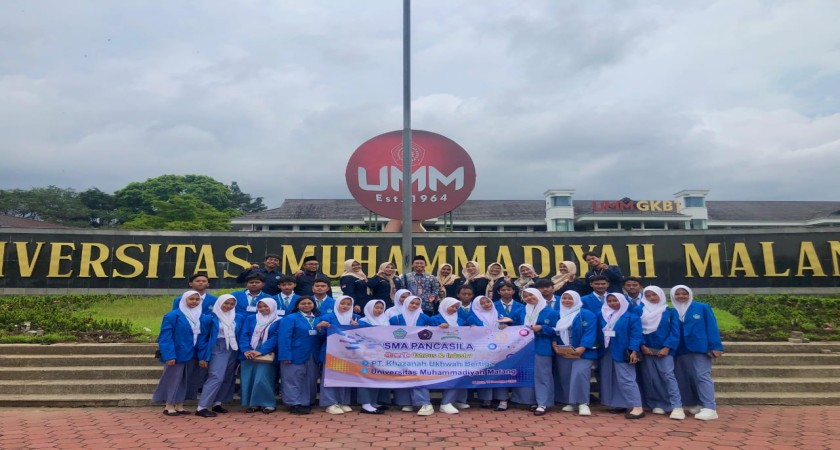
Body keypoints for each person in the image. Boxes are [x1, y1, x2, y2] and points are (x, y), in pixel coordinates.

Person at [671, 285, 723, 421]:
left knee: (702, 376)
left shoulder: (702, 307)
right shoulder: (672, 310)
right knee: (688, 377)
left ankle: (710, 408)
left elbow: (711, 326)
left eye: (684, 293)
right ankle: (699, 403)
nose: (681, 296)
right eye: (677, 294)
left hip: (700, 347)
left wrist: (716, 346)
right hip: (680, 349)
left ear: (690, 294)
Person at [153, 290, 203, 416]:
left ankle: (180, 405)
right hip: (176, 353)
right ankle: (168, 405)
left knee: (185, 380)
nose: (194, 302)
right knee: (172, 379)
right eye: (191, 299)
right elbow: (165, 338)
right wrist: (169, 355)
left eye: (197, 299)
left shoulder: (199, 315)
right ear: (184, 300)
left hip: (192, 354)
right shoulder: (173, 316)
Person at [637, 286, 684, 420]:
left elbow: (675, 332)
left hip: (664, 349)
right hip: (646, 349)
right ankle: (657, 403)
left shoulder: (669, 311)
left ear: (661, 295)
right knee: (651, 377)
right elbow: (636, 329)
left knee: (668, 376)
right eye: (648, 295)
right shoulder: (639, 310)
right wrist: (642, 345)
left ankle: (676, 406)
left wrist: (667, 347)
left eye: (654, 295)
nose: (651, 298)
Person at [598, 293, 645, 419]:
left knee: (627, 379)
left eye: (615, 300)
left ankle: (637, 407)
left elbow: (636, 335)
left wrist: (634, 350)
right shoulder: (603, 315)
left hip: (623, 351)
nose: (612, 303)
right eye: (609, 301)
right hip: (607, 351)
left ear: (622, 301)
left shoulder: (631, 317)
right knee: (612, 378)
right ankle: (619, 404)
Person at [195, 294, 243, 417]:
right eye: (226, 303)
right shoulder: (209, 318)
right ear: (219, 303)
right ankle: (202, 407)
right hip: (217, 347)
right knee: (216, 376)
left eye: (232, 304)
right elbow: (202, 338)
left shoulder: (237, 317)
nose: (228, 306)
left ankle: (218, 403)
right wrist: (202, 356)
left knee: (228, 376)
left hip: (233, 348)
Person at [553, 291, 597, 416]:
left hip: (582, 352)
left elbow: (590, 332)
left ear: (577, 300)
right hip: (563, 351)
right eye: (564, 298)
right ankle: (571, 402)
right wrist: (554, 344)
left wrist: (583, 346)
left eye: (570, 298)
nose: (567, 301)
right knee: (566, 376)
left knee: (580, 374)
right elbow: (553, 331)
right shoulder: (558, 314)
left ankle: (583, 403)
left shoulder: (586, 314)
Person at [389, 295, 434, 415]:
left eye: (417, 304)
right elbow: (389, 334)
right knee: (403, 375)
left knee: (418, 376)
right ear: (406, 303)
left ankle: (425, 403)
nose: (414, 305)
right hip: (400, 352)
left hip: (420, 353)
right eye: (412, 303)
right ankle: (406, 403)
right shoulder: (395, 319)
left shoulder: (425, 318)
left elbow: (433, 332)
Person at [277, 296, 323, 415]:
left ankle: (306, 402)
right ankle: (293, 403)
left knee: (310, 379)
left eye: (309, 303)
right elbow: (284, 337)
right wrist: (285, 355)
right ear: (297, 305)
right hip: (294, 353)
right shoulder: (290, 318)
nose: (306, 305)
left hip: (313, 354)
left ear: (314, 305)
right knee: (292, 379)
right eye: (303, 303)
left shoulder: (318, 319)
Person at [316, 295, 361, 415]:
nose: (345, 306)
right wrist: (320, 328)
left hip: (348, 353)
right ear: (337, 304)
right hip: (331, 352)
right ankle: (330, 403)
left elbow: (361, 337)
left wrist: (356, 328)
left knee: (345, 377)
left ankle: (343, 401)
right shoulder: (327, 317)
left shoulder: (355, 318)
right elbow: (320, 336)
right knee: (330, 378)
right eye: (343, 303)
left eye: (348, 304)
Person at [521, 287, 560, 416]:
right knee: (530, 375)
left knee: (543, 375)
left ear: (538, 295)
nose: (529, 298)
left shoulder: (550, 312)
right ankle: (533, 401)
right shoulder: (522, 311)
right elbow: (515, 325)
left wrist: (542, 328)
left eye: (531, 295)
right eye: (525, 296)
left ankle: (543, 403)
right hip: (525, 348)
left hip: (542, 347)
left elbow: (557, 330)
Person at [238, 298, 281, 414]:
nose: (263, 309)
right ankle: (253, 404)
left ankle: (268, 403)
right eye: (260, 306)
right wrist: (246, 350)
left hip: (266, 353)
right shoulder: (251, 318)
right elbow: (244, 334)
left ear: (272, 307)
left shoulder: (278, 320)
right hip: (249, 353)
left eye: (266, 306)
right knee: (248, 378)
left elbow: (275, 338)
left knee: (262, 378)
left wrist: (261, 351)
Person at [468, 295, 511, 408]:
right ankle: (486, 398)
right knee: (485, 372)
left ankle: (503, 399)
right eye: (482, 303)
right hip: (482, 350)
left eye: (488, 302)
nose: (486, 304)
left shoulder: (499, 314)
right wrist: (472, 328)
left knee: (501, 372)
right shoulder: (472, 317)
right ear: (477, 305)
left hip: (500, 349)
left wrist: (505, 326)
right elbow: (469, 334)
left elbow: (510, 328)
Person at [430, 297, 471, 414]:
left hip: (457, 353)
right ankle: (443, 403)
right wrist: (437, 328)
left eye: (456, 307)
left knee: (456, 376)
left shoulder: (460, 320)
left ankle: (451, 401)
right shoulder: (434, 319)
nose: (454, 309)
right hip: (438, 354)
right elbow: (428, 335)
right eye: (452, 306)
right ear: (444, 305)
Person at [357, 299, 392, 414]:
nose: (379, 310)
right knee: (365, 377)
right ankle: (365, 403)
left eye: (381, 308)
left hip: (381, 354)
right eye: (376, 307)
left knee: (376, 376)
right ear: (369, 308)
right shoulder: (362, 321)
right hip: (365, 354)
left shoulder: (385, 321)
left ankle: (373, 402)